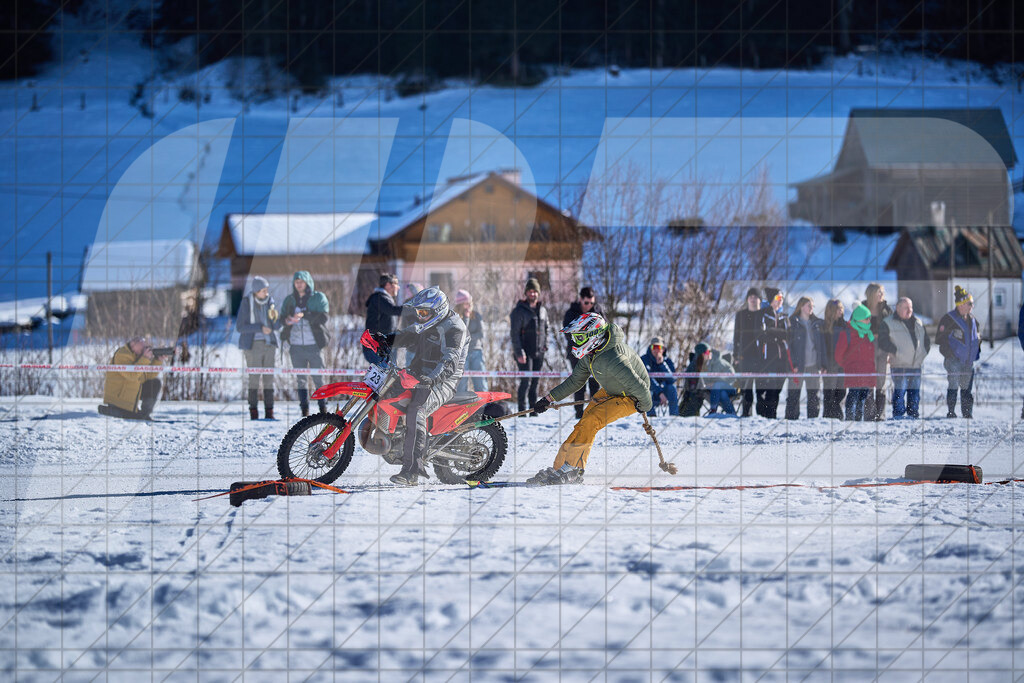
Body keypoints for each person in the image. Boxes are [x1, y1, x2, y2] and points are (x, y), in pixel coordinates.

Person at [526, 312, 652, 485]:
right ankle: (560, 466)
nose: (575, 342)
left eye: (579, 338)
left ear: (593, 335)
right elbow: (575, 381)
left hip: (631, 396)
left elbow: (640, 387)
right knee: (583, 423)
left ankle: (574, 469)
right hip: (612, 390)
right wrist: (548, 399)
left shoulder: (615, 358)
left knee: (592, 420)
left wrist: (644, 404)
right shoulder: (591, 354)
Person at [386, 287, 468, 485]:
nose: (420, 317)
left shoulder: (454, 328)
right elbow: (410, 334)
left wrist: (432, 378)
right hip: (420, 374)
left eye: (423, 313)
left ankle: (412, 471)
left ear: (437, 310)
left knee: (416, 410)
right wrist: (385, 340)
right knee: (387, 392)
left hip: (443, 380)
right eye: (418, 313)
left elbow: (450, 361)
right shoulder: (429, 322)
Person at [280, 270, 330, 416]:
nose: (299, 285)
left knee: (318, 378)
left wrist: (305, 315)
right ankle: (304, 410)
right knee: (300, 379)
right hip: (295, 346)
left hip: (314, 345)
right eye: (296, 282)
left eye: (301, 282)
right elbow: (281, 318)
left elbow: (323, 318)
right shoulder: (290, 300)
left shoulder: (318, 297)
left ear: (308, 282)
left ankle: (323, 409)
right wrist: (288, 320)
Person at [236, 275, 281, 420]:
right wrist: (260, 328)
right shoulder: (246, 303)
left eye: (267, 289)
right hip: (252, 346)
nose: (266, 293)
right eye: (263, 290)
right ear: (256, 291)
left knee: (269, 379)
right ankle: (253, 411)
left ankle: (270, 411)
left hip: (269, 345)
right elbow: (240, 327)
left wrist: (279, 320)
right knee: (254, 378)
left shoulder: (270, 303)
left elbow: (276, 325)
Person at [878, 297, 929, 419]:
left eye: (911, 307)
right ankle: (898, 416)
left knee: (915, 393)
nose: (910, 310)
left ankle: (913, 414)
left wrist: (922, 354)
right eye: (906, 307)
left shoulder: (918, 322)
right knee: (900, 392)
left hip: (916, 365)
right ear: (898, 308)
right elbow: (882, 341)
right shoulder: (888, 322)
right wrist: (895, 351)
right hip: (899, 364)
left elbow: (926, 341)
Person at [98, 336, 173, 420]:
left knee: (154, 383)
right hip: (119, 399)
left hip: (131, 393)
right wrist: (144, 358)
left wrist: (158, 360)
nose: (144, 350)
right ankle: (110, 411)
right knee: (134, 417)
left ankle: (145, 414)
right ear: (133, 345)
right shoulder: (122, 354)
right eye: (142, 348)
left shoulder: (137, 355)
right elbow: (131, 375)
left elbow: (148, 375)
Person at [936, 285, 980, 418]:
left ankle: (967, 413)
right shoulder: (948, 319)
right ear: (960, 305)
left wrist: (977, 352)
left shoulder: (973, 321)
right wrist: (949, 355)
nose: (972, 306)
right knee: (954, 384)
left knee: (967, 388)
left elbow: (977, 338)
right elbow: (940, 340)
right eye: (969, 303)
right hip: (953, 360)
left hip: (968, 361)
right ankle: (951, 412)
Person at [510, 277, 549, 414]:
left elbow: (547, 329)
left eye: (535, 291)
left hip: (539, 352)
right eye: (530, 291)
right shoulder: (519, 311)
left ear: (538, 293)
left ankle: (534, 411)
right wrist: (519, 352)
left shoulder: (542, 310)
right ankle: (521, 410)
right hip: (524, 353)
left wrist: (545, 345)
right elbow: (514, 334)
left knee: (535, 383)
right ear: (526, 293)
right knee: (525, 382)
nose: (532, 294)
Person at [563, 287, 603, 418]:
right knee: (579, 383)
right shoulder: (571, 313)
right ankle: (579, 413)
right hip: (577, 353)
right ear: (580, 300)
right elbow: (568, 333)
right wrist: (584, 341)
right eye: (586, 303)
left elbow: (605, 328)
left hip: (594, 354)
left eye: (592, 303)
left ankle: (594, 411)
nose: (589, 306)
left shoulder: (598, 311)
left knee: (594, 383)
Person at [755, 288, 793, 418]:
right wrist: (777, 335)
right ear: (771, 300)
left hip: (782, 360)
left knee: (777, 389)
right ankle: (764, 416)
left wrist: (773, 332)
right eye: (778, 298)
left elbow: (789, 335)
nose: (780, 301)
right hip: (767, 358)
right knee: (767, 389)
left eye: (782, 298)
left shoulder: (784, 316)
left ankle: (772, 414)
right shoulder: (763, 315)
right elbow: (761, 335)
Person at [835, 304, 877, 421]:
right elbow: (839, 354)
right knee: (853, 397)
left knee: (862, 399)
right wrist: (848, 366)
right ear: (858, 318)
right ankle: (850, 420)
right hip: (853, 372)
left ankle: (858, 421)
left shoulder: (868, 333)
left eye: (870, 318)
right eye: (866, 318)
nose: (869, 321)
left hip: (867, 373)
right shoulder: (847, 332)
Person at [786, 296, 825, 419]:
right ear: (801, 306)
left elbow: (822, 346)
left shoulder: (817, 324)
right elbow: (789, 346)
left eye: (813, 306)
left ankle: (813, 420)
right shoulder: (792, 322)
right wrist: (793, 364)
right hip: (798, 366)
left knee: (814, 395)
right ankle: (791, 420)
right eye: (809, 305)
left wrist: (822, 365)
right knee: (793, 395)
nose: (811, 308)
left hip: (813, 365)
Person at [862, 283, 893, 421]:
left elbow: (894, 330)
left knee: (881, 382)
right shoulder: (861, 309)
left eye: (882, 292)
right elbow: (853, 328)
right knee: (868, 382)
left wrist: (892, 350)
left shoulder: (886, 310)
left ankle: (880, 414)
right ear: (871, 294)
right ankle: (869, 414)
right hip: (866, 348)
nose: (881, 295)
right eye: (878, 292)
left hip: (883, 347)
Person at [733, 287, 763, 417]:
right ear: (747, 299)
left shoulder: (763, 314)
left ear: (759, 300)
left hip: (761, 356)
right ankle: (746, 413)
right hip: (745, 356)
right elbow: (736, 336)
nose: (753, 299)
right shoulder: (741, 315)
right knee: (746, 387)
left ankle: (762, 415)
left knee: (761, 388)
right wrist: (736, 355)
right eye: (750, 297)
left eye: (755, 297)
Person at [364, 273, 403, 365]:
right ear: (388, 285)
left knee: (388, 376)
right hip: (376, 347)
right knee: (385, 376)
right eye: (396, 284)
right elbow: (392, 310)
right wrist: (412, 308)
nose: (398, 287)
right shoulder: (379, 298)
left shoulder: (383, 298)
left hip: (384, 347)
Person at [454, 289, 487, 393]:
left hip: (476, 351)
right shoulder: (455, 317)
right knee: (461, 385)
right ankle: (462, 407)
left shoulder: (476, 316)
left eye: (469, 302)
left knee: (480, 383)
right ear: (460, 304)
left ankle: (484, 407)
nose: (468, 305)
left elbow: (481, 334)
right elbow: (459, 334)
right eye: (465, 303)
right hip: (462, 354)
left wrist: (468, 338)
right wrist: (466, 319)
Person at [821, 299, 848, 419]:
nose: (841, 311)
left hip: (843, 364)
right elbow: (822, 347)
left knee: (841, 392)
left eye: (842, 308)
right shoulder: (824, 327)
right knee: (829, 393)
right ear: (831, 311)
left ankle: (837, 416)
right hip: (830, 365)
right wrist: (823, 364)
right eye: (838, 309)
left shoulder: (845, 325)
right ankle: (828, 416)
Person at [640, 336, 678, 417]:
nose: (657, 350)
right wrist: (659, 392)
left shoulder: (668, 361)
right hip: (651, 392)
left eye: (659, 347)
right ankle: (651, 417)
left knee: (672, 388)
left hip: (664, 391)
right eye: (654, 347)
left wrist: (662, 364)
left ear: (663, 349)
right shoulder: (644, 359)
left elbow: (672, 380)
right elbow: (646, 378)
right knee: (646, 391)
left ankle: (674, 417)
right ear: (650, 348)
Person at [679, 342, 711, 417]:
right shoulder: (694, 365)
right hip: (694, 394)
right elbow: (694, 385)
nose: (709, 354)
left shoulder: (704, 363)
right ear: (701, 353)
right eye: (707, 352)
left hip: (699, 393)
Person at [705, 349, 738, 416]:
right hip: (718, 390)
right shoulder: (709, 365)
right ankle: (731, 413)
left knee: (717, 385)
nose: (707, 356)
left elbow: (732, 378)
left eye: (708, 354)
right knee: (722, 394)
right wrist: (708, 384)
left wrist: (715, 382)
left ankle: (713, 409)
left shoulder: (722, 363)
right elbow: (707, 379)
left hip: (731, 387)